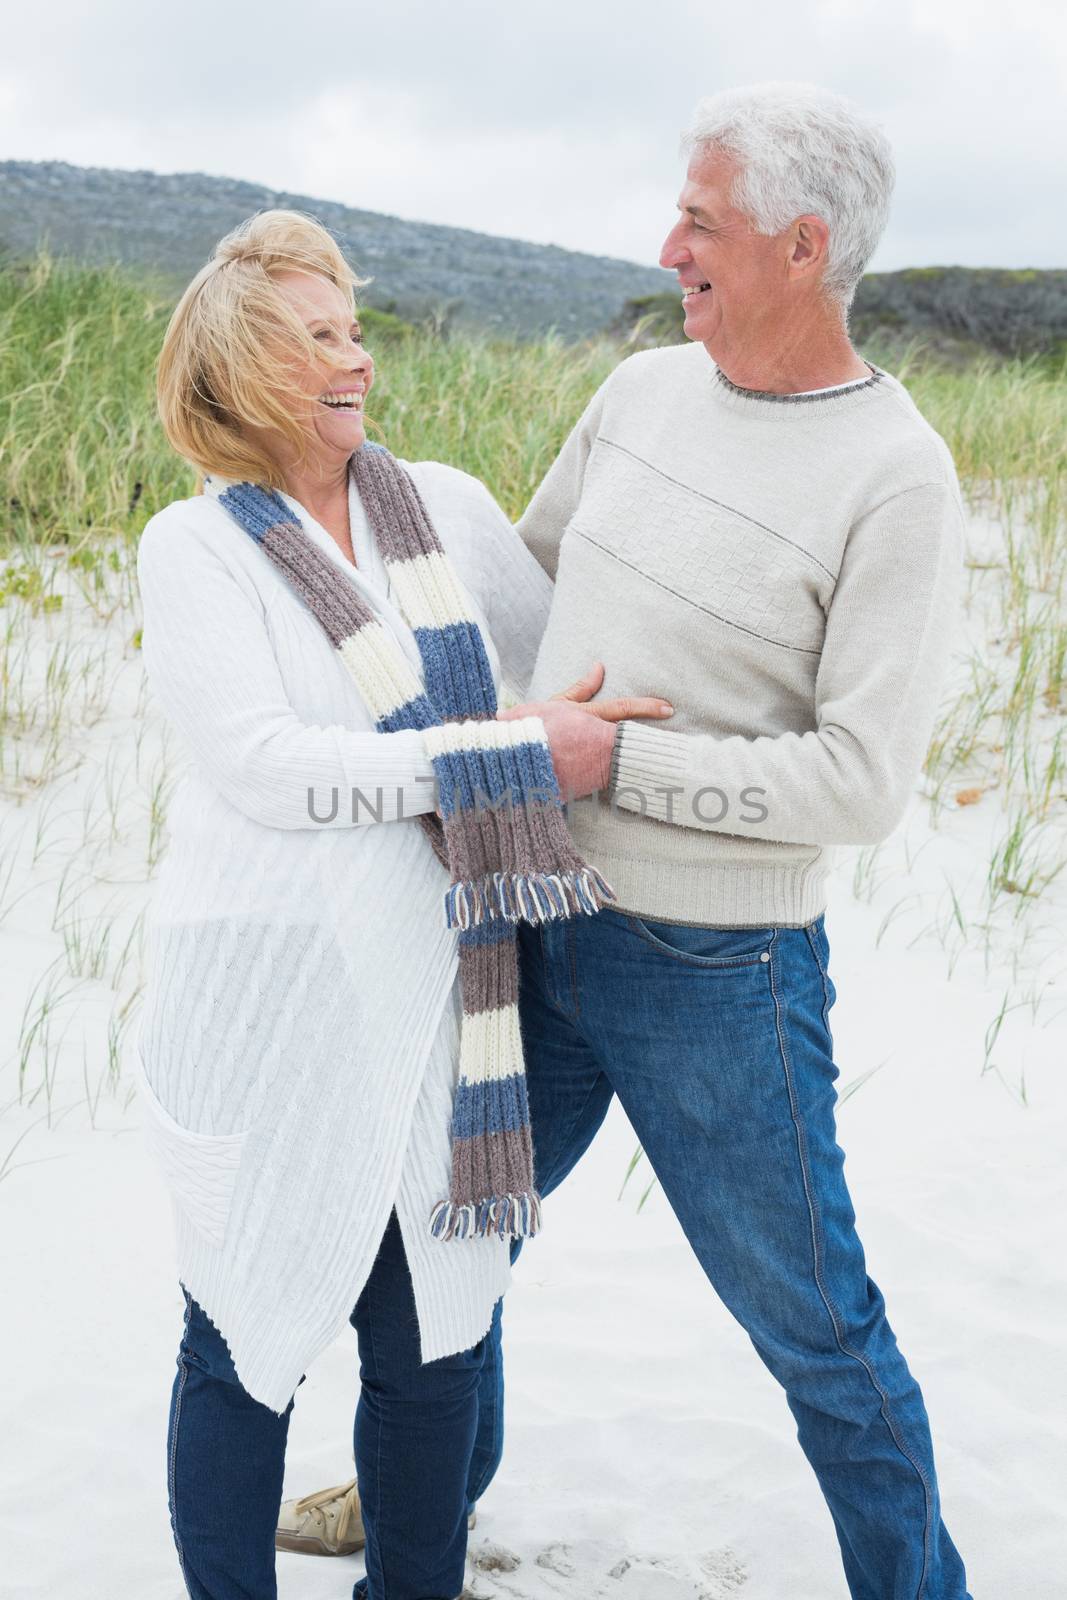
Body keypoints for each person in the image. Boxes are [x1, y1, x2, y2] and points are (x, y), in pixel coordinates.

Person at [286, 83, 973, 1599]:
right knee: (442, 1255)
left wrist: (620, 763)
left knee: (819, 1331)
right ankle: (416, 1504)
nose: (669, 243)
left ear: (805, 247)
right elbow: (528, 610)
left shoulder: (898, 478)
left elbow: (860, 783)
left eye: (701, 221)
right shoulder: (644, 394)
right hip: (528, 918)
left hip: (714, 967)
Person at [135, 208, 670, 1600]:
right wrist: (493, 748)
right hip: (263, 1010)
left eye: (354, 327)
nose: (356, 356)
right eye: (320, 335)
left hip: (439, 999)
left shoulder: (446, 510)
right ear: (246, 366)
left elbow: (567, 672)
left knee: (429, 1346)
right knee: (243, 1341)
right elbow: (262, 768)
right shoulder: (196, 555)